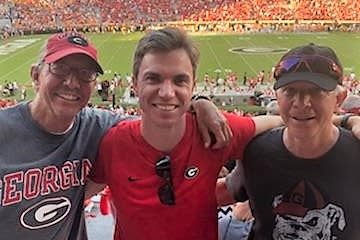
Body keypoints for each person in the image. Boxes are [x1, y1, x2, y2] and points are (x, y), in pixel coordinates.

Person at [0, 31, 229, 240]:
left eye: (85, 73)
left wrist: (199, 102)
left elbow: (157, 121)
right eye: (60, 68)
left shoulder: (98, 127)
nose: (71, 82)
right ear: (35, 74)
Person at [87, 27, 285, 240]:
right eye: (153, 78)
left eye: (179, 80)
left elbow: (278, 121)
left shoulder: (212, 131)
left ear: (192, 86)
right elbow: (76, 194)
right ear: (135, 83)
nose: (166, 92)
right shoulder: (114, 144)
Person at [219, 43, 360, 239]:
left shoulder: (356, 153)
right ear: (276, 95)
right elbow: (224, 191)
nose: (301, 103)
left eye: (316, 91)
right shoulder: (256, 152)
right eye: (290, 91)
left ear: (339, 98)